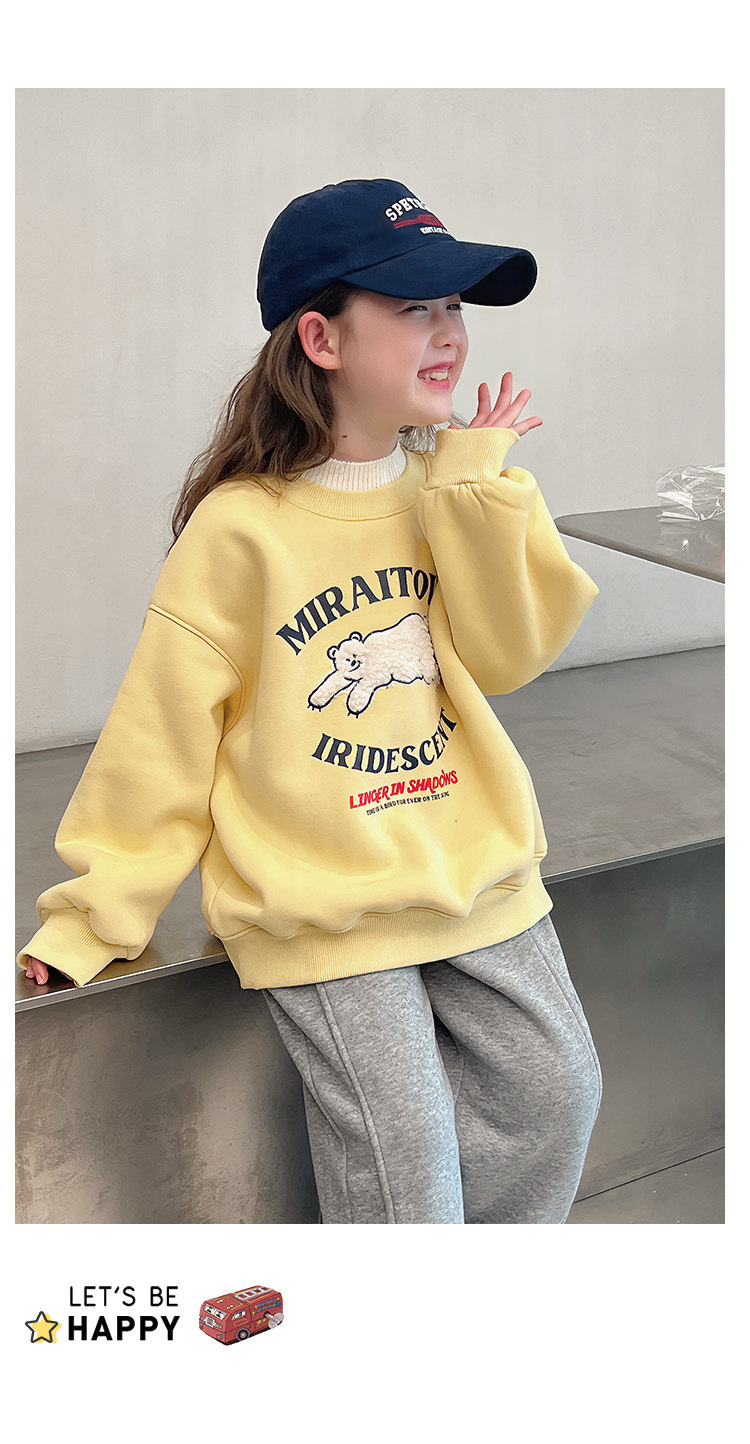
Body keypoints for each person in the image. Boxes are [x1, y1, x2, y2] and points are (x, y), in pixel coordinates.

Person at [19, 178, 603, 1224]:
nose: (449, 332)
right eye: (414, 307)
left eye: (455, 307)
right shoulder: (241, 528)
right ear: (322, 339)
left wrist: (477, 492)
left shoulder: (455, 489)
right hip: (318, 891)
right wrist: (94, 915)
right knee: (405, 1156)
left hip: (475, 867)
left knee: (560, 1096)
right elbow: (163, 730)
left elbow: (509, 656)